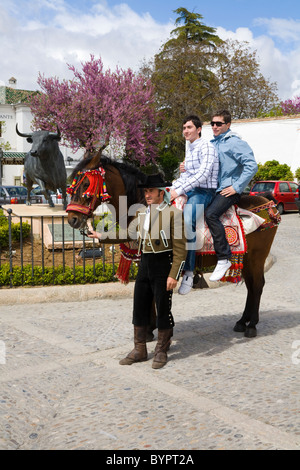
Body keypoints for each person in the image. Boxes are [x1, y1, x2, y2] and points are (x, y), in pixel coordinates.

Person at [88, 173, 187, 369]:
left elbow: (180, 248)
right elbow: (127, 233)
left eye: (151, 191)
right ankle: (140, 349)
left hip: (163, 263)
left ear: (162, 193)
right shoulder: (142, 213)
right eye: (146, 191)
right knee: (139, 305)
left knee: (163, 308)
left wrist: (174, 274)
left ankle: (161, 349)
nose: (147, 195)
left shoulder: (173, 214)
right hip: (145, 263)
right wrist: (101, 235)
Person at [206, 109, 258, 282]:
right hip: (214, 189)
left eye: (218, 124)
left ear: (228, 125)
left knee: (211, 215)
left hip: (229, 191)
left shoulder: (235, 143)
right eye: (212, 123)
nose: (214, 126)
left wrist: (236, 187)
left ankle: (223, 258)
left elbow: (251, 165)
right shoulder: (213, 143)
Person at [170, 115, 219, 295]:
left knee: (186, 222)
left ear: (198, 129)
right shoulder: (189, 147)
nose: (185, 131)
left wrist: (179, 189)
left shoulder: (207, 147)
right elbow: (187, 175)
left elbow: (203, 175)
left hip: (204, 191)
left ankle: (189, 272)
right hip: (190, 188)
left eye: (189, 127)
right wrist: (170, 189)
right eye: (184, 128)